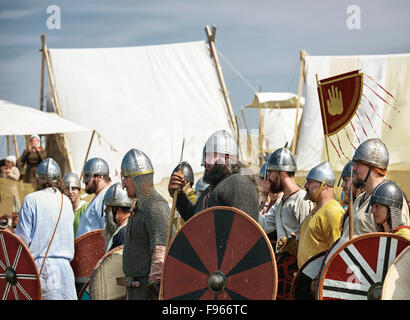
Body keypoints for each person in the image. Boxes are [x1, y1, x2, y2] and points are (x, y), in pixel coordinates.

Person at [325, 138, 410, 264]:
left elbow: (398, 245)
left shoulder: (391, 198)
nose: (353, 168)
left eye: (358, 164)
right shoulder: (359, 199)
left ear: (373, 168)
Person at [15, 158, 77, 300]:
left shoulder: (31, 200)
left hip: (42, 271)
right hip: (66, 271)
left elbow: (21, 242)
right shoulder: (66, 201)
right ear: (59, 180)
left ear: (37, 180)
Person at [168, 130, 259, 222]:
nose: (206, 162)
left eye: (211, 156)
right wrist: (179, 195)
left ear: (227, 158)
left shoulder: (239, 183)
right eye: (206, 157)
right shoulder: (210, 190)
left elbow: (244, 229)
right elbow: (196, 221)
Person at [258, 147, 313, 300]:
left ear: (281, 173)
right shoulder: (280, 202)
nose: (268, 177)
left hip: (296, 267)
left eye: (271, 173)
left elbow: (306, 236)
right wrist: (262, 195)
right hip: (281, 266)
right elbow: (262, 225)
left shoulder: (302, 199)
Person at [120, 148, 171, 300]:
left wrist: (155, 284)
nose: (123, 184)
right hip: (136, 289)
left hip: (148, 292)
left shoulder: (156, 207)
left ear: (137, 178)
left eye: (125, 178)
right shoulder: (140, 207)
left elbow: (161, 250)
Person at [298, 161, 344, 268]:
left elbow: (337, 253)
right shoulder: (315, 210)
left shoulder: (333, 212)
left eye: (310, 182)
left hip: (319, 278)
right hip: (306, 279)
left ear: (324, 186)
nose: (306, 185)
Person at [76, 157, 111, 238]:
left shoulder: (106, 197)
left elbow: (107, 233)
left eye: (88, 176)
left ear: (101, 177)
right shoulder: (99, 196)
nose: (85, 181)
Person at [102, 182, 132, 252]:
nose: (105, 210)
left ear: (117, 210)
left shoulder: (124, 233)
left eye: (107, 207)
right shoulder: (129, 228)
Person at [62, 172, 88, 237]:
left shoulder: (86, 209)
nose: (71, 192)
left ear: (79, 191)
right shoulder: (62, 211)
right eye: (67, 188)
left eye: (73, 188)